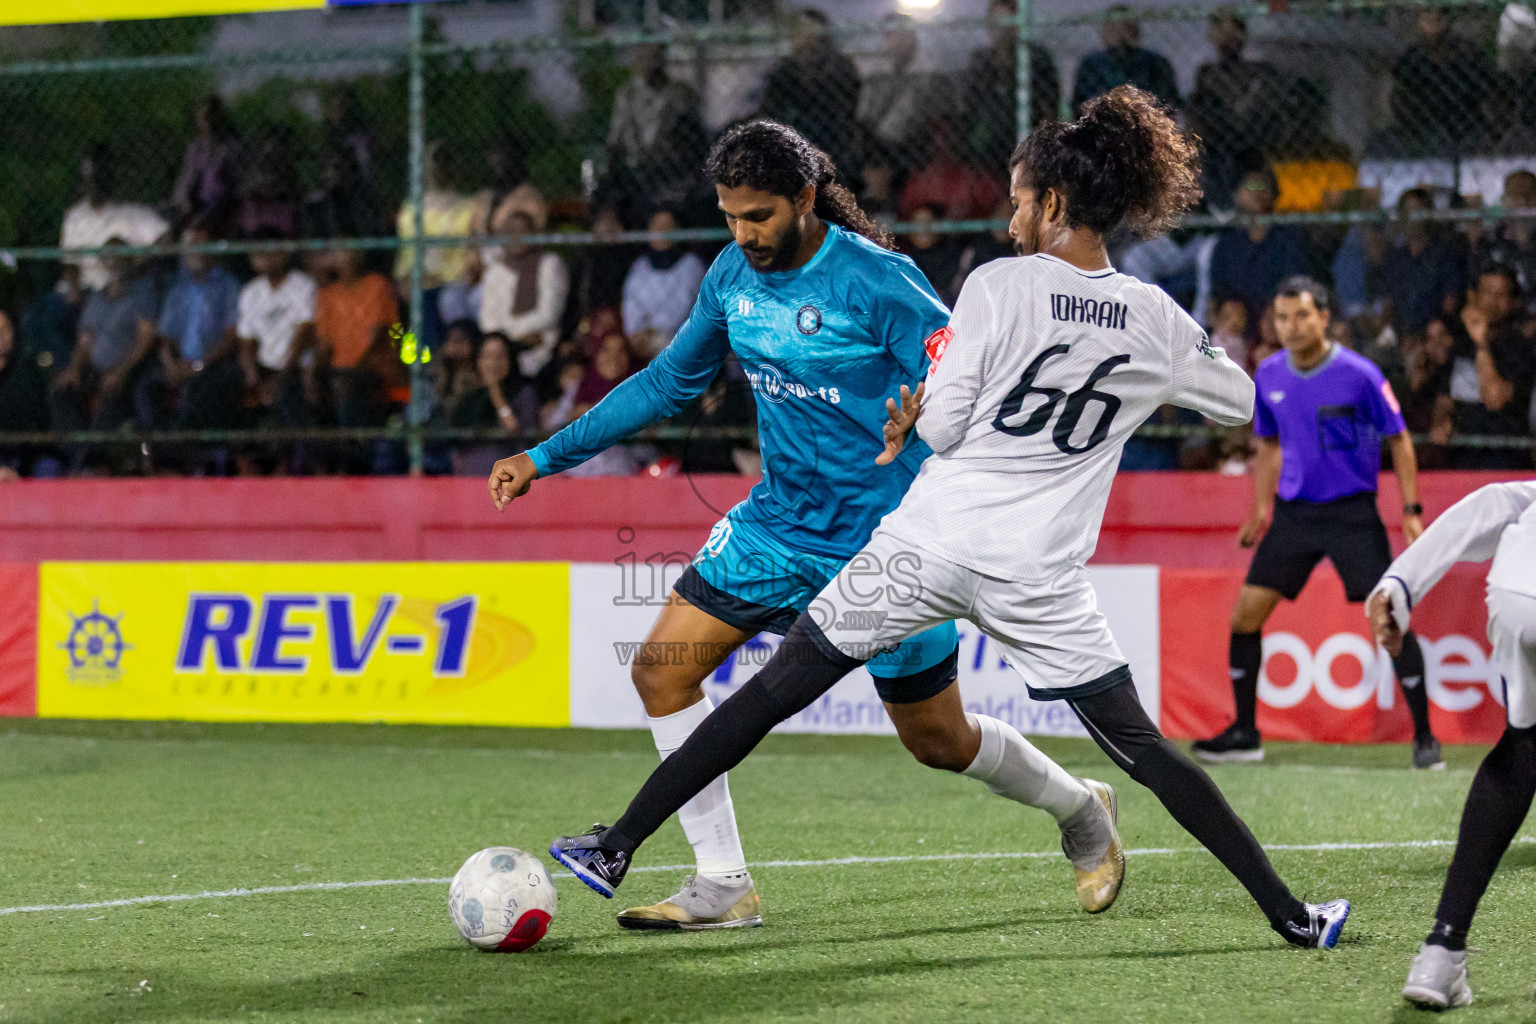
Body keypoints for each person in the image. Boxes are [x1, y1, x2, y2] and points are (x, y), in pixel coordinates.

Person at [548, 88, 1354, 952]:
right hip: (1038, 575)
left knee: (775, 689)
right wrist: (1155, 377)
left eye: (1015, 198)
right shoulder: (1152, 317)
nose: (1009, 214)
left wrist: (915, 420)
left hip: (926, 544)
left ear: (1051, 204)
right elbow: (1237, 400)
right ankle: (1294, 916)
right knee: (1146, 751)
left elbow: (939, 425)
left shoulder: (997, 286)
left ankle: (617, 843)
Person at [493, 119, 1124, 931]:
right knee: (662, 671)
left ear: (804, 196)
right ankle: (722, 883)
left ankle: (1080, 806)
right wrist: (545, 456)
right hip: (775, 528)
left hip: (888, 545)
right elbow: (665, 384)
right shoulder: (731, 277)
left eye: (758, 215)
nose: (742, 233)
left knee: (936, 739)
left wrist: (928, 414)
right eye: (729, 216)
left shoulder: (880, 283)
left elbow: (967, 376)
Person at [1192, 276, 1442, 769]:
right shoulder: (1269, 374)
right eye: (1282, 318)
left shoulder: (1360, 374)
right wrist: (1260, 509)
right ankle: (1245, 733)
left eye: (1302, 316)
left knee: (1389, 620)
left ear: (1324, 318)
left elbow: (1400, 440)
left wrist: (1411, 511)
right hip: (1294, 516)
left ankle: (1426, 738)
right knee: (1245, 617)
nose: (1291, 327)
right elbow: (1268, 446)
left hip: (1352, 514)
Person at [1366, 482, 1536, 1009]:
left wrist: (1399, 584)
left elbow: (1489, 506)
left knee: (1522, 751)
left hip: (1520, 590)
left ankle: (1442, 950)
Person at [1440, 262, 1534, 470]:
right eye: (1488, 293)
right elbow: (1444, 397)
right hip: (1460, 463)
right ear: (1473, 297)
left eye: (1501, 295)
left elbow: (1494, 399)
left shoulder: (1521, 348)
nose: (1494, 302)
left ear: (1511, 302)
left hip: (1505, 463)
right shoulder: (1458, 342)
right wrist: (1441, 420)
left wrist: (1481, 343)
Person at [1187, 8, 1284, 210]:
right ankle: (1216, 211)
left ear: (1243, 36)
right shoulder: (1206, 74)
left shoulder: (1258, 72)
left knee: (1256, 186)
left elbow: (1267, 117)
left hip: (1251, 154)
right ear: (1211, 37)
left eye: (1233, 33)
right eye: (1221, 32)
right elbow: (1198, 116)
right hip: (1215, 153)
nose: (1228, 39)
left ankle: (1246, 210)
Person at [1208, 164, 1310, 337]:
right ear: (1236, 195)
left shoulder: (1287, 238)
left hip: (1274, 318)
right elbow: (1218, 293)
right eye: (1250, 186)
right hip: (1239, 320)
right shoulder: (1226, 244)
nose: (1258, 191)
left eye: (1263, 186)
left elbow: (1293, 282)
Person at [758, 10, 862, 177]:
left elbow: (848, 111)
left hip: (832, 141)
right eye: (800, 32)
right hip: (790, 142)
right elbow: (769, 110)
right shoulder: (783, 72)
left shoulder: (840, 68)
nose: (805, 39)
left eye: (810, 31)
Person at [962, 0, 1060, 170]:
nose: (1005, 30)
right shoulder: (982, 61)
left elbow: (1051, 105)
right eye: (1000, 23)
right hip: (989, 149)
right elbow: (971, 107)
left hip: (1032, 144)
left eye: (1010, 22)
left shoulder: (1038, 58)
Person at [60, 147, 170, 293]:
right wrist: (73, 287)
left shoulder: (130, 212)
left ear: (109, 176)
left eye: (98, 175)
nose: (93, 182)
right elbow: (68, 262)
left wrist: (135, 270)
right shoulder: (75, 216)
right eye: (89, 175)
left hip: (117, 289)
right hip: (79, 290)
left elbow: (165, 235)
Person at [478, 211, 569, 378]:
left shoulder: (550, 264)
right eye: (511, 231)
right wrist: (514, 339)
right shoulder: (495, 271)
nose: (517, 236)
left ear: (534, 233)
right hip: (504, 349)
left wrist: (509, 331)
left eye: (522, 231)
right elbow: (487, 321)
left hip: (542, 348)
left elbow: (548, 314)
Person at [622, 208, 707, 361]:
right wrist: (636, 332)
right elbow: (631, 306)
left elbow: (682, 307)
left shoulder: (691, 265)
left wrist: (657, 332)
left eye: (667, 225)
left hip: (680, 339)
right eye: (656, 226)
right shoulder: (640, 266)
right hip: (643, 340)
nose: (661, 231)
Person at [1071, 6, 1180, 114]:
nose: (1120, 34)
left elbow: (1166, 99)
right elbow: (1082, 101)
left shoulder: (1154, 62)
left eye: (1126, 28)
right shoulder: (1092, 64)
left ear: (1135, 31)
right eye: (1114, 29)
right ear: (1105, 32)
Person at [172, 96, 243, 233]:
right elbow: (185, 180)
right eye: (202, 119)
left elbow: (233, 187)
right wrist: (184, 205)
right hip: (194, 205)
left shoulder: (231, 147)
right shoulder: (195, 149)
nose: (207, 123)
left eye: (210, 117)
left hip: (220, 206)